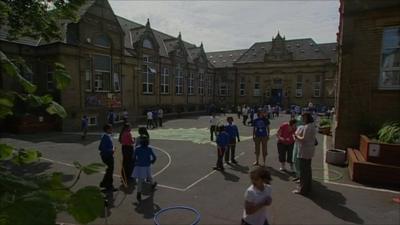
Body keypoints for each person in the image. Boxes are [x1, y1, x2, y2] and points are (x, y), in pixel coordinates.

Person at [293, 112, 316, 195]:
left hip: (305, 151)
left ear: (306, 118)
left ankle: (302, 190)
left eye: (303, 118)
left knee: (303, 171)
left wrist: (296, 135)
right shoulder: (312, 126)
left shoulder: (307, 127)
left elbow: (303, 139)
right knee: (308, 170)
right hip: (309, 150)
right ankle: (308, 187)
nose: (302, 119)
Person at [132, 135, 157, 202]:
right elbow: (154, 157)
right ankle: (151, 185)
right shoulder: (149, 149)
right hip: (147, 165)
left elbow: (133, 158)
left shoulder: (137, 148)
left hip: (140, 166)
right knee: (149, 176)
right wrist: (152, 161)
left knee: (140, 180)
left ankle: (139, 193)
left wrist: (135, 162)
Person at [98, 124, 117, 192]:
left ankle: (104, 183)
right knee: (110, 170)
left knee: (109, 170)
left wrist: (112, 148)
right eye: (111, 128)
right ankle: (109, 186)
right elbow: (101, 148)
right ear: (107, 130)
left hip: (107, 155)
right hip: (107, 156)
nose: (112, 129)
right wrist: (112, 150)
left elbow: (101, 147)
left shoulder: (107, 136)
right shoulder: (105, 137)